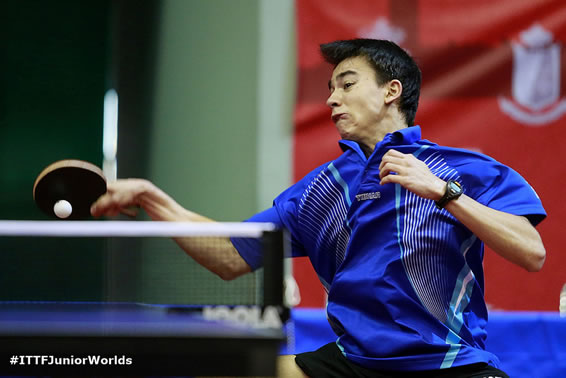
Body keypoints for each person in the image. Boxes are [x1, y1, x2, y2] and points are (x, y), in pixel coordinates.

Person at [91, 39, 546, 377]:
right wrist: (155, 199)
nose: (331, 98)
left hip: (448, 364)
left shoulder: (463, 169)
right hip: (352, 364)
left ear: (391, 91)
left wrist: (445, 192)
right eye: (329, 88)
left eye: (346, 85)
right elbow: (229, 255)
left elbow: (532, 252)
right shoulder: (320, 190)